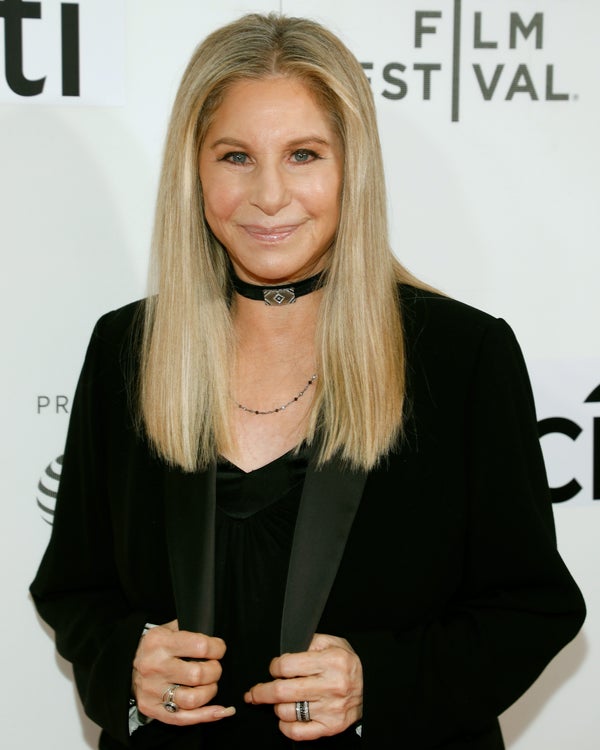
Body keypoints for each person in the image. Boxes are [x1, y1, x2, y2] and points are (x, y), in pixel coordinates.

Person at [29, 11, 586, 750]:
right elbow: (74, 589)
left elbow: (534, 608)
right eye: (235, 156)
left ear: (352, 167)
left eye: (303, 155)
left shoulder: (462, 357)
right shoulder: (126, 349)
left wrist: (379, 682)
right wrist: (127, 663)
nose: (268, 194)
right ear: (194, 171)